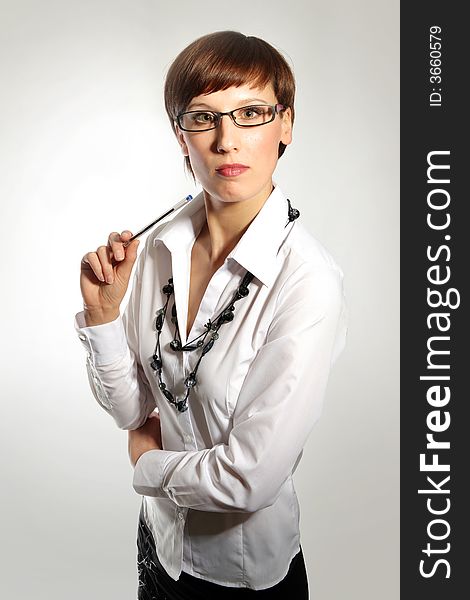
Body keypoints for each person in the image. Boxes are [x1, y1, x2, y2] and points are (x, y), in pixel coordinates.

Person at [75, 30, 347, 599]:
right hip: (160, 546)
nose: (227, 140)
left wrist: (147, 465)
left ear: (286, 124)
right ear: (181, 136)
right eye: (204, 117)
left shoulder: (306, 280)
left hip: (241, 576)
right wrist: (102, 316)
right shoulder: (156, 247)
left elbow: (249, 478)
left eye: (251, 113)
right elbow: (132, 406)